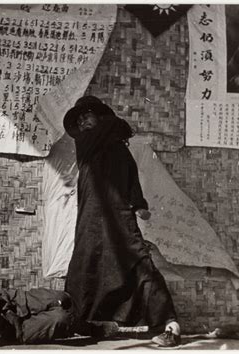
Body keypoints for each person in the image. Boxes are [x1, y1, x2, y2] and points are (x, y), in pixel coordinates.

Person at [63, 96, 181, 347]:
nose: (83, 122)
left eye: (87, 115)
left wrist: (138, 204)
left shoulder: (119, 149)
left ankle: (169, 325)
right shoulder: (86, 145)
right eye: (79, 119)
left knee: (139, 263)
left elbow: (130, 177)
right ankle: (84, 322)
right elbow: (110, 127)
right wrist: (109, 122)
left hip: (119, 216)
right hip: (90, 220)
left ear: (100, 116)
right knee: (86, 266)